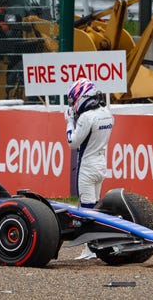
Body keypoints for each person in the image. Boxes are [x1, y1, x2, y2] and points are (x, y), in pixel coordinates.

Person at [64, 78, 114, 259]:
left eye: (73, 100)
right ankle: (97, 245)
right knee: (96, 205)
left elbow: (72, 142)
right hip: (101, 163)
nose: (72, 105)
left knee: (86, 209)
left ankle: (90, 249)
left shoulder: (87, 117)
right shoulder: (106, 113)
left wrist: (69, 122)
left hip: (87, 165)